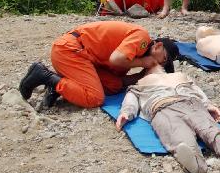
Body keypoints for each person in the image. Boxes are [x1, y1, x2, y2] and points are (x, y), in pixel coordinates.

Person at [117, 63, 220, 173]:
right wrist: (126, 113)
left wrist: (208, 104)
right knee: (180, 138)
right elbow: (130, 100)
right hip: (164, 108)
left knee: (213, 132)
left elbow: (197, 90)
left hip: (192, 104)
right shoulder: (139, 84)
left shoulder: (180, 75)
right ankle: (195, 165)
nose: (157, 65)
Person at [18, 21, 178, 109]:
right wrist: (144, 62)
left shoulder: (134, 55)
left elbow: (118, 80)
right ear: (157, 46)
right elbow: (116, 59)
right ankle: (44, 76)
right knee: (94, 98)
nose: (158, 64)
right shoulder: (142, 38)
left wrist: (142, 76)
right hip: (69, 49)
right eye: (162, 59)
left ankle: (60, 82)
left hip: (81, 55)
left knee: (114, 85)